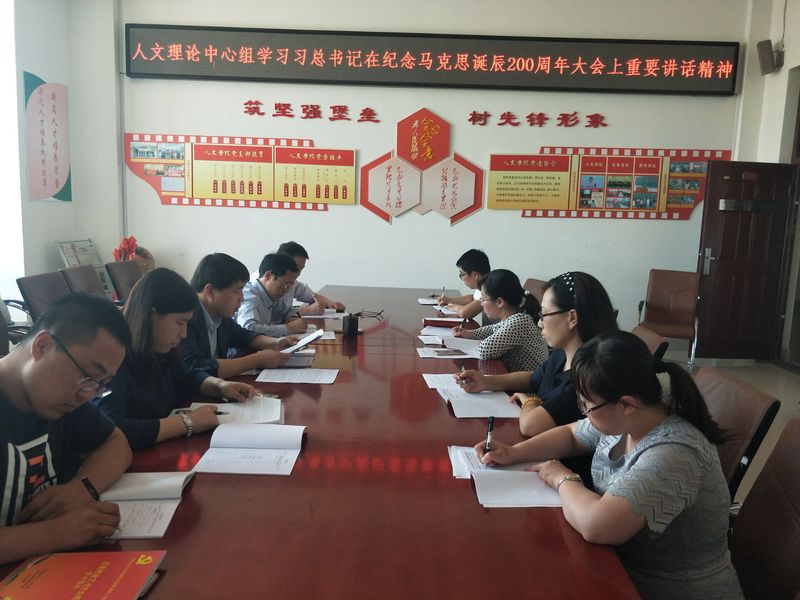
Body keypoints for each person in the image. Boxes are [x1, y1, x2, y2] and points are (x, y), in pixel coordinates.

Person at [474, 331, 744, 600]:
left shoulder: (674, 453)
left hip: (662, 587)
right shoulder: (631, 417)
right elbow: (571, 435)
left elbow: (597, 525)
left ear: (626, 404)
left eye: (587, 405)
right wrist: (514, 453)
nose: (584, 412)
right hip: (618, 567)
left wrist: (562, 478)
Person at [0, 294, 133, 564]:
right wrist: (55, 533)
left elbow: (116, 443)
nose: (88, 394)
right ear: (43, 345)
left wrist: (81, 489)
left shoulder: (61, 399)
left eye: (100, 384)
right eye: (88, 376)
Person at [97, 269, 256, 450]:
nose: (184, 333)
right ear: (151, 315)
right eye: (180, 323)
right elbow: (113, 429)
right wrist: (187, 422)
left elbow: (184, 375)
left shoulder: (160, 348)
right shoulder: (114, 358)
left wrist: (219, 386)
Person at [456, 272, 618, 438]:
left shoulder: (584, 377)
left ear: (572, 318)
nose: (540, 323)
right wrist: (486, 381)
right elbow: (533, 378)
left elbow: (530, 426)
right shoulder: (561, 354)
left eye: (544, 315)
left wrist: (529, 401)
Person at [179, 253, 293, 378]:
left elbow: (242, 336)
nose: (242, 298)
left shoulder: (218, 313)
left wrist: (275, 342)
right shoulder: (184, 318)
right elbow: (194, 367)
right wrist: (257, 360)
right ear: (210, 291)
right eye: (237, 291)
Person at [453, 269, 548, 372]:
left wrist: (474, 340)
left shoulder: (520, 321)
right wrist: (469, 333)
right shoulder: (513, 318)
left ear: (499, 302)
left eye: (483, 299)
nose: (481, 304)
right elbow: (492, 329)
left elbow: (485, 350)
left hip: (530, 381)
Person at [237, 253, 307, 337]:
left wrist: (291, 317)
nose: (286, 291)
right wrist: (288, 328)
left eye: (290, 286)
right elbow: (248, 329)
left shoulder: (268, 296)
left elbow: (288, 308)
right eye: (286, 284)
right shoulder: (249, 297)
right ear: (268, 275)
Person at [277, 241, 345, 315]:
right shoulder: (270, 286)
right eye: (296, 267)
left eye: (301, 269)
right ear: (281, 262)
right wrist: (307, 310)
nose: (299, 273)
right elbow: (275, 314)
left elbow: (313, 296)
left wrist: (331, 303)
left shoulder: (293, 283)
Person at [438, 249, 492, 322]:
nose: (461, 278)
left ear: (475, 275)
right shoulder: (485, 285)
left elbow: (465, 313)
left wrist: (450, 306)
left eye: (462, 274)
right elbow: (472, 298)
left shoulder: (489, 291)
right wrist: (450, 300)